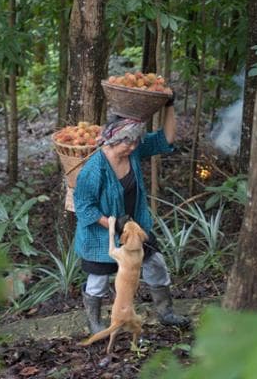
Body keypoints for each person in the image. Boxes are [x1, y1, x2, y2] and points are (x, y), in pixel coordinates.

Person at [73, 93, 190, 334]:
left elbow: (165, 139)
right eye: (129, 142)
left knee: (156, 264)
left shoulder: (132, 152)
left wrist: (169, 106)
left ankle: (166, 312)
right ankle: (95, 322)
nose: (134, 147)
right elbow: (84, 207)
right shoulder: (94, 168)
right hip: (101, 235)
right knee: (98, 281)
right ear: (114, 139)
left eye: (137, 142)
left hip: (134, 229)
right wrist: (114, 225)